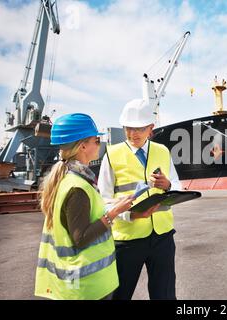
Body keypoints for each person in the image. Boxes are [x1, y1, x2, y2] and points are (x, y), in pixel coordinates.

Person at [34, 113, 135, 300]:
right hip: (86, 286)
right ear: (82, 146)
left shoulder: (71, 178)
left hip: (80, 282)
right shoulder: (77, 187)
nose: (99, 143)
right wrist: (113, 213)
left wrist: (113, 203)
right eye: (96, 140)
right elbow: (81, 237)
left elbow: (84, 214)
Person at [98, 98, 181, 300]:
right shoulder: (112, 154)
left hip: (162, 236)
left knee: (165, 295)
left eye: (139, 129)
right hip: (128, 239)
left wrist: (168, 185)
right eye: (128, 128)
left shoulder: (162, 151)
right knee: (120, 294)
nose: (132, 134)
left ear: (151, 128)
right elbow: (103, 199)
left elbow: (178, 185)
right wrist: (130, 214)